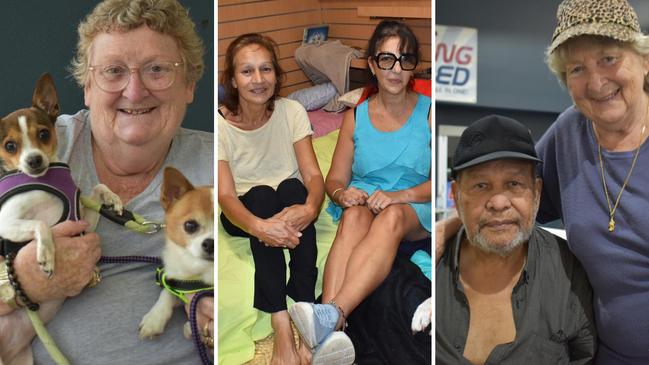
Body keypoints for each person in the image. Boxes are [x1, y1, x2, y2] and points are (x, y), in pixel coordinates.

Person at [0, 0, 213, 364]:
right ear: (86, 86)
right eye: (113, 71)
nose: (134, 91)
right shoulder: (31, 150)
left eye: (157, 69)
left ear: (190, 84)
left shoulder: (213, 163)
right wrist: (21, 282)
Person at [437, 0, 649, 363]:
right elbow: (513, 196)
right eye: (577, 68)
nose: (596, 81)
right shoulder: (569, 133)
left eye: (609, 58)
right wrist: (451, 224)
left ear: (643, 60)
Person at [289, 20, 431, 362]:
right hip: (364, 203)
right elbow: (334, 180)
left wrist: (399, 196)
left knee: (392, 216)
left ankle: (334, 316)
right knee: (352, 217)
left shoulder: (430, 113)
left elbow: (447, 182)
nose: (396, 70)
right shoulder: (356, 116)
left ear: (414, 66)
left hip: (414, 205)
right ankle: (326, 337)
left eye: (405, 59)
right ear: (372, 64)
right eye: (386, 59)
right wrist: (342, 195)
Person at [436, 114, 596, 364]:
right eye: (481, 185)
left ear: (537, 193)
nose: (499, 202)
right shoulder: (432, 267)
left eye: (514, 183)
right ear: (456, 196)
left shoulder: (569, 271)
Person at [217, 33, 325, 365]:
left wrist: (310, 208)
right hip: (244, 214)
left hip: (289, 206)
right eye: (247, 71)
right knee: (262, 196)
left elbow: (313, 177)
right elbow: (224, 195)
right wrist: (261, 229)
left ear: (276, 75)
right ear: (233, 80)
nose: (258, 79)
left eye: (266, 69)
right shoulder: (220, 125)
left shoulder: (291, 111)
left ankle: (306, 312)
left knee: (294, 191)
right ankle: (281, 324)